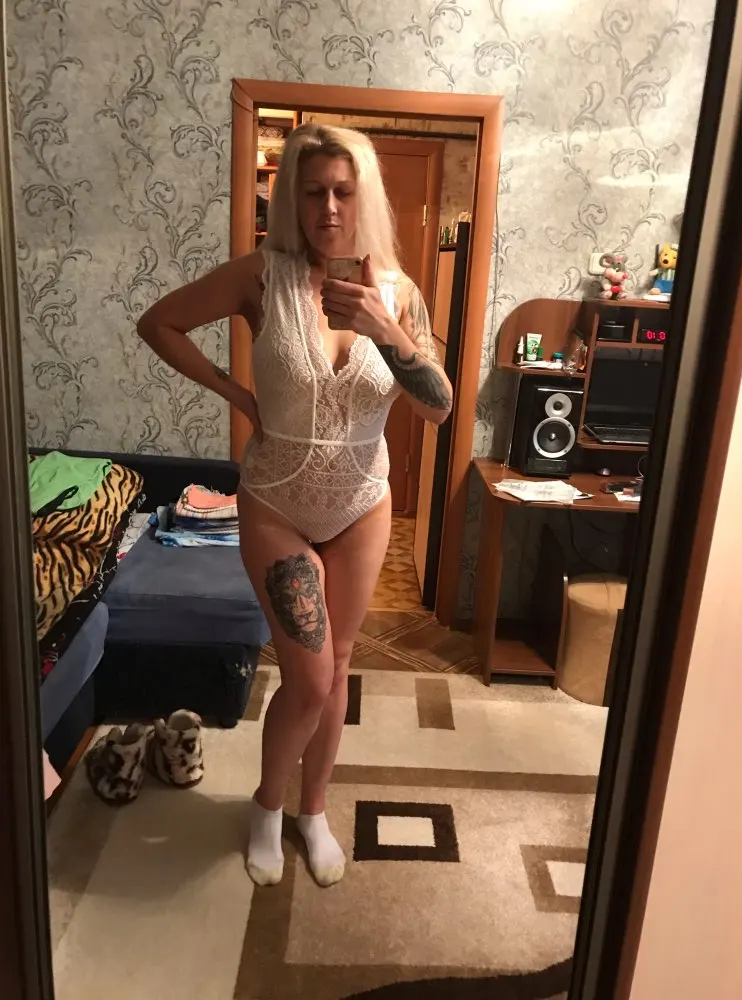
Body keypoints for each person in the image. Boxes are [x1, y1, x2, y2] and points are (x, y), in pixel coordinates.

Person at [136, 124, 453, 887]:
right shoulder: (262, 276)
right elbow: (159, 322)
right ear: (292, 200)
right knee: (308, 678)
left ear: (365, 196)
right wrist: (235, 393)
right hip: (276, 503)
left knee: (337, 667)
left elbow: (438, 405)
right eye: (313, 192)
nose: (329, 207)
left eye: (343, 191)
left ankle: (313, 812)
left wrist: (386, 328)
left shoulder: (400, 294)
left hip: (362, 505)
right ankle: (267, 806)